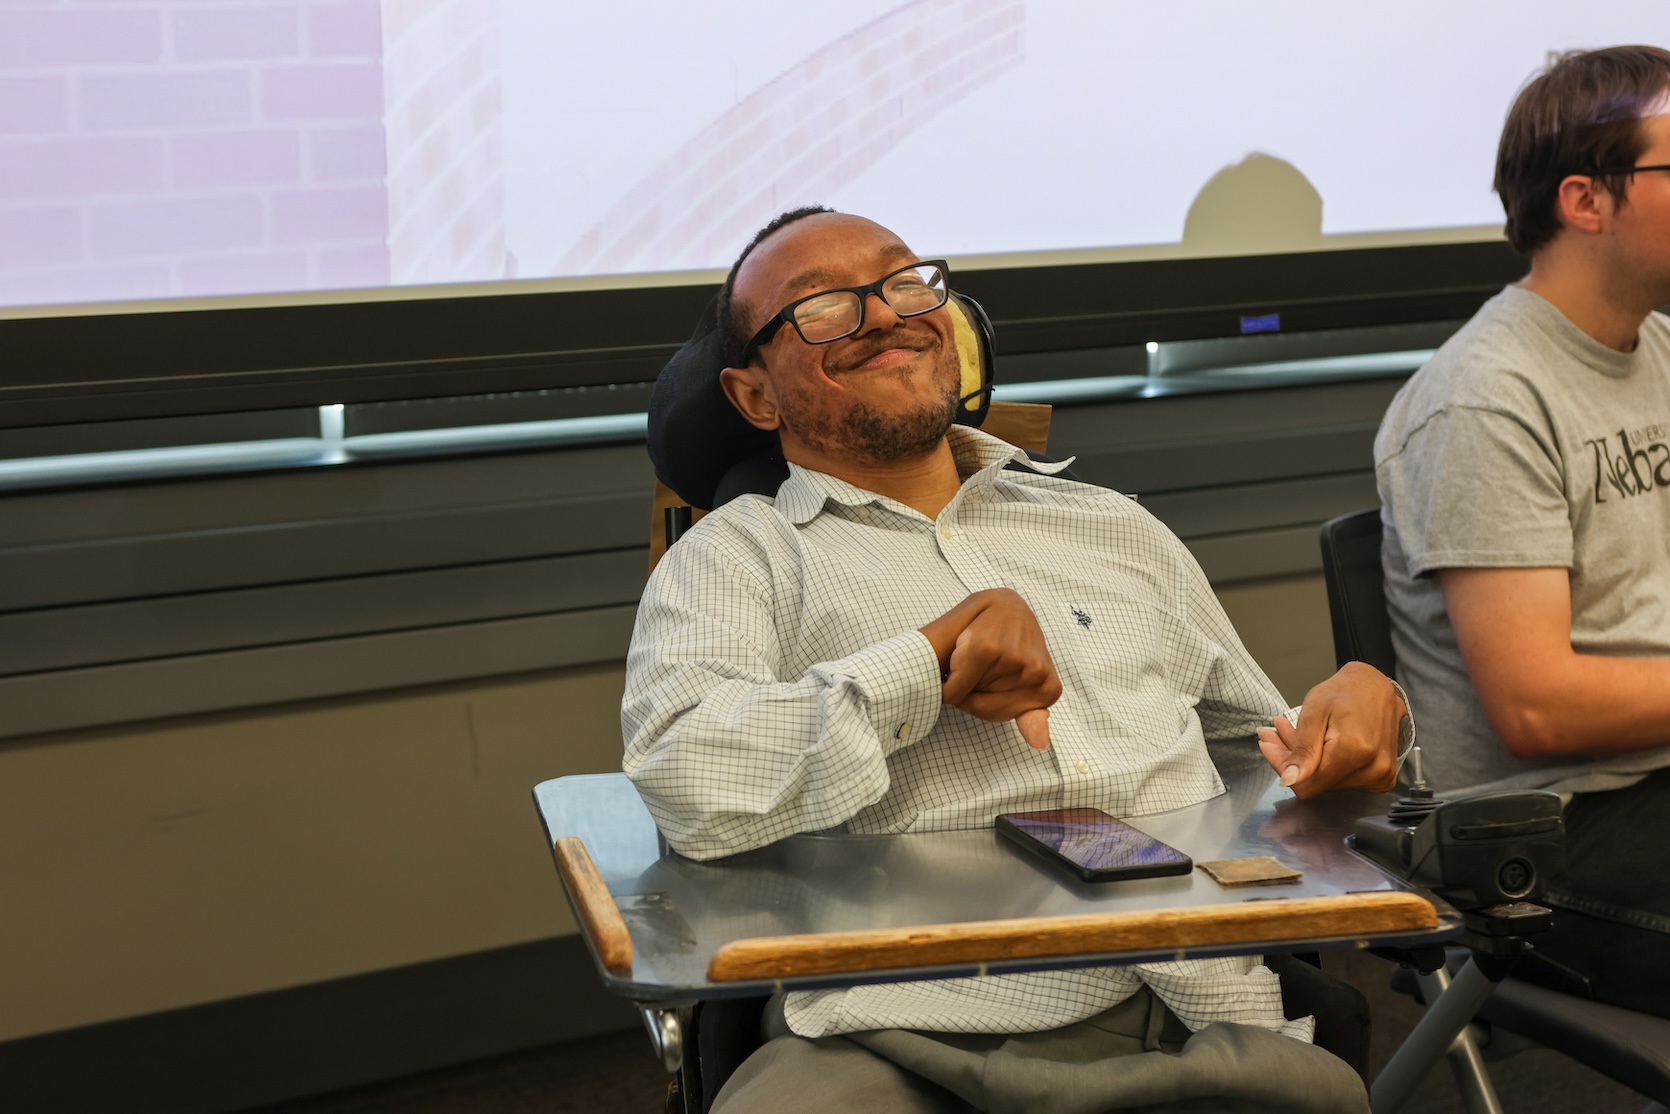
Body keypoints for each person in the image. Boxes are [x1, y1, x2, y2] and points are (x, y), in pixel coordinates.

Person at [624, 206, 1408, 1113]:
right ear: (757, 396)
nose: (883, 313)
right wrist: (921, 666)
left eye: (903, 280)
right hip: (904, 1028)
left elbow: (1262, 753)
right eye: (823, 306)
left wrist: (1359, 708)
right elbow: (683, 774)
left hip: (1198, 1009)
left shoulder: (1111, 525)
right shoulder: (739, 555)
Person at [1375, 45, 1670, 1018]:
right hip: (1550, 837)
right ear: (1585, 201)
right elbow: (1537, 708)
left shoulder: (1657, 350)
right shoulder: (1483, 400)